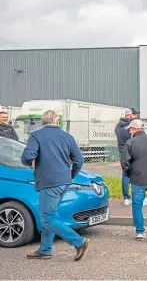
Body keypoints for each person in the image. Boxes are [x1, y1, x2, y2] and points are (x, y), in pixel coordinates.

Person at [21, 110, 89, 261]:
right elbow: (79, 160)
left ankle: (78, 242)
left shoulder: (36, 136)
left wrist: (32, 161)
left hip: (49, 182)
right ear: (57, 122)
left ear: (42, 122)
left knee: (47, 218)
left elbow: (27, 158)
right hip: (64, 181)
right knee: (50, 215)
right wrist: (70, 175)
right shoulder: (67, 137)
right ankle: (45, 249)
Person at [114, 108, 138, 206]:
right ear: (128, 115)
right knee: (137, 173)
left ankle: (126, 198)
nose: (136, 116)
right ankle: (139, 197)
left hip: (122, 153)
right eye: (134, 115)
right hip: (131, 151)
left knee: (125, 173)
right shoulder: (131, 126)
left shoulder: (117, 126)